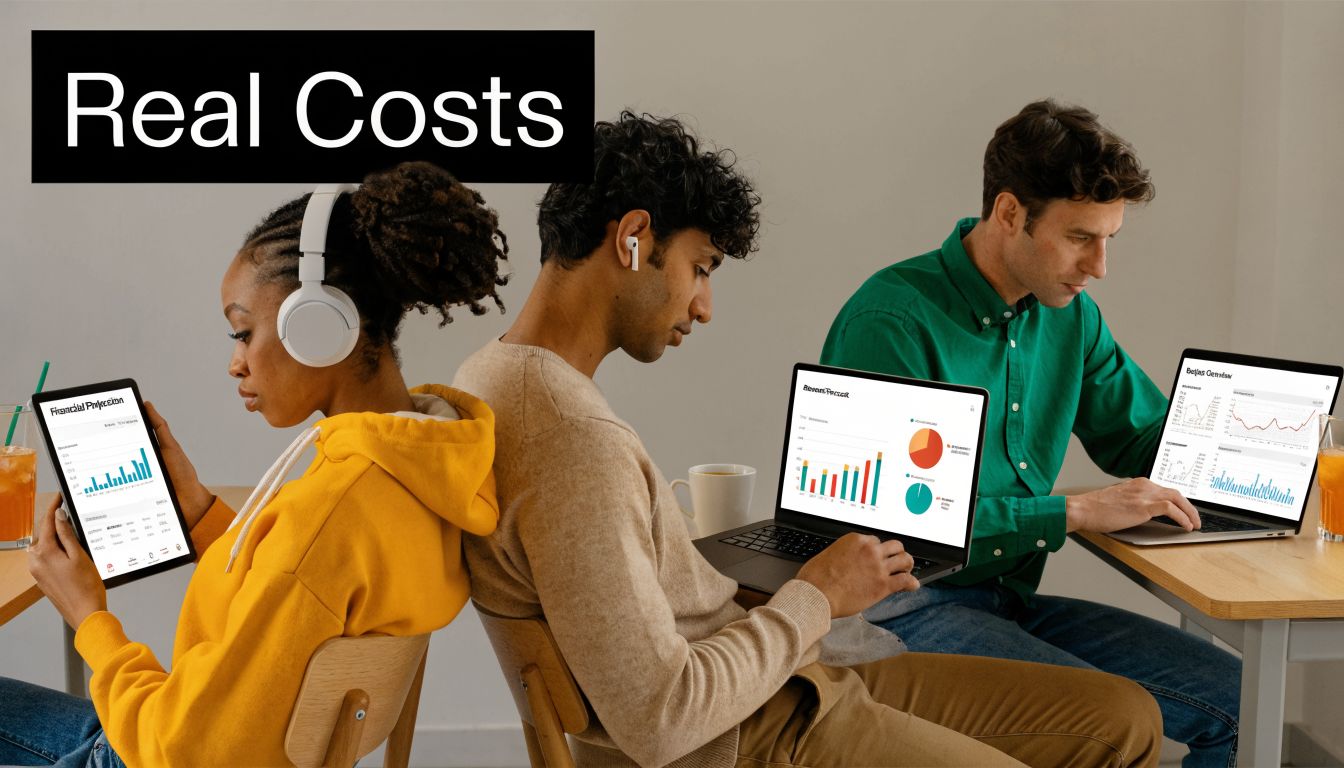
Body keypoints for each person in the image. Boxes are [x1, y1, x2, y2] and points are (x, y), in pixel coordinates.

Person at [455, 111, 1162, 768]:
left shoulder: (496, 377)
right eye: (700, 268)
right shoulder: (572, 438)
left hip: (775, 679)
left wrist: (764, 589)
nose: (703, 306)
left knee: (1127, 716)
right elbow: (658, 717)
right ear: (632, 238)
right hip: (754, 729)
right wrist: (815, 596)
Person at [2, 161, 508, 767]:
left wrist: (88, 615)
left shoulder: (327, 519)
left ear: (318, 327)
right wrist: (203, 514)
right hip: (191, 728)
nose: (235, 364)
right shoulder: (419, 465)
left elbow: (183, 751)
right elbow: (298, 601)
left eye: (242, 333)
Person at [819, 99, 1241, 767]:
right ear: (1010, 213)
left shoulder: (1071, 319)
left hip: (1004, 602)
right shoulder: (893, 321)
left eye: (1108, 240)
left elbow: (1144, 440)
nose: (1098, 266)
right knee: (1107, 722)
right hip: (903, 611)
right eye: (1080, 238)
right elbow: (894, 528)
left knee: (1239, 699)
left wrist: (1258, 461)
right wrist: (1071, 512)